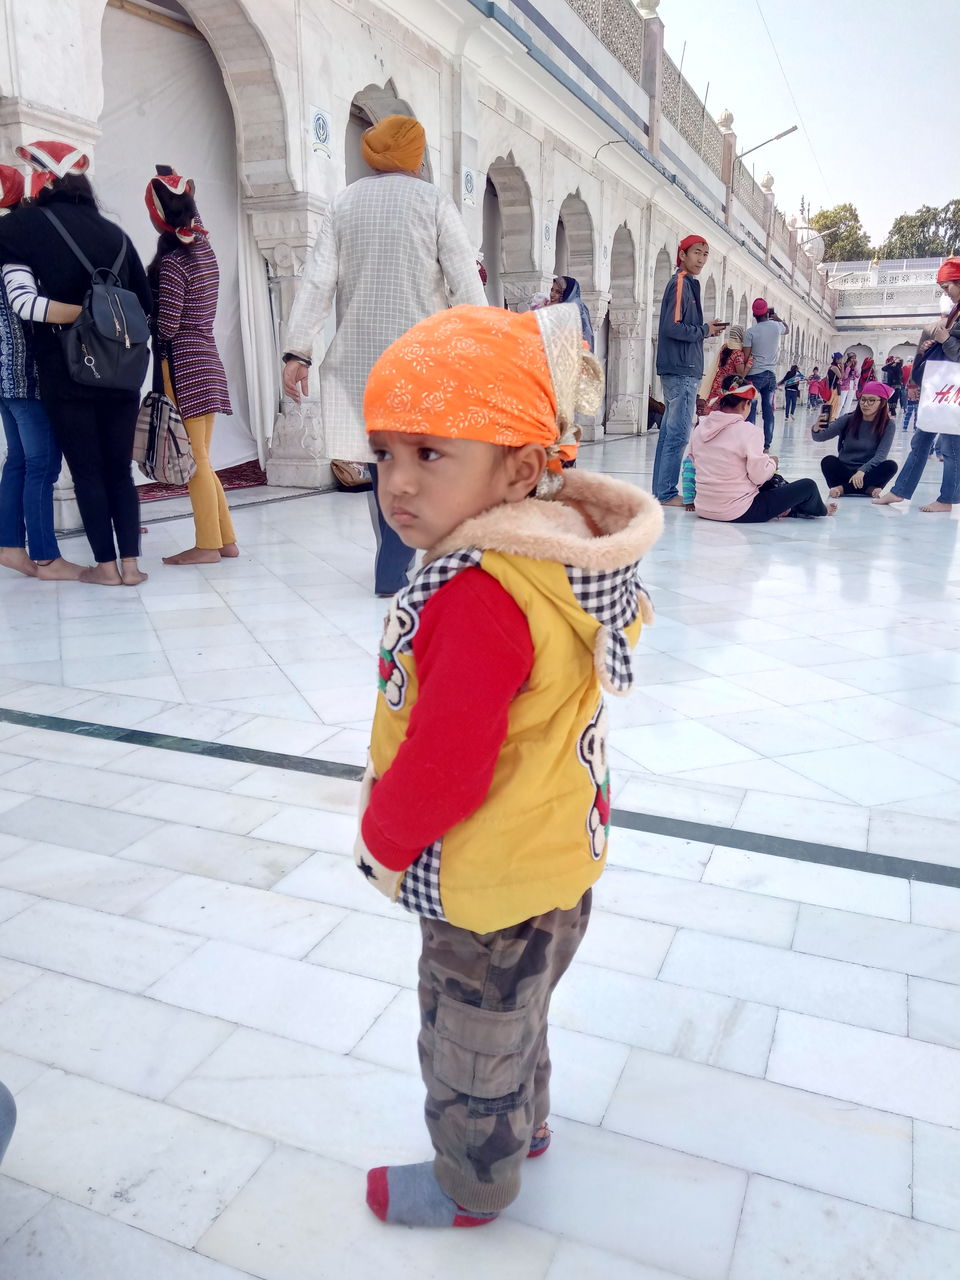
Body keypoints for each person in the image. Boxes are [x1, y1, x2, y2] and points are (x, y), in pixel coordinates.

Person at [353, 301, 662, 1229]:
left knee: (466, 1042)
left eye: (431, 454)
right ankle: (524, 1124)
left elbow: (448, 766)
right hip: (558, 857)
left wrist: (383, 836)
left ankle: (470, 1185)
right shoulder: (552, 556)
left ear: (522, 467)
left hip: (487, 879)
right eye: (385, 455)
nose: (397, 485)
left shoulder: (479, 595)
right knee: (516, 1016)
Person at [281, 114, 486, 597]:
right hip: (421, 365)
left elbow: (316, 282)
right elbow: (465, 282)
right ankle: (393, 567)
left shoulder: (345, 203)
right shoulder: (433, 201)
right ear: (416, 156)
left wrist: (298, 351)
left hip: (358, 368)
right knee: (417, 467)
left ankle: (393, 559)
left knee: (382, 468)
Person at [0, 140, 151, 586]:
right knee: (118, 469)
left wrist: (80, 315)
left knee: (85, 468)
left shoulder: (22, 227)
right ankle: (131, 567)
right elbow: (145, 307)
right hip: (122, 372)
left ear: (42, 180)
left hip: (66, 369)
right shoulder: (115, 234)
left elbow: (24, 304)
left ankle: (104, 568)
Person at [144, 166, 237, 566]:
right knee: (203, 456)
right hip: (207, 359)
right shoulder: (204, 249)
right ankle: (225, 540)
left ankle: (207, 545)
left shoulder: (174, 262)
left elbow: (166, 325)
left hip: (181, 362)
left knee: (196, 460)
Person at [0, 164, 84, 581]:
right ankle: (48, 557)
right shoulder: (15, 245)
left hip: (3, 376)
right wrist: (87, 314)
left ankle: (11, 548)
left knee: (18, 461)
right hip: (25, 373)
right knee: (42, 464)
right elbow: (25, 305)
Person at [875, 262, 960, 513]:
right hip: (940, 387)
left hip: (952, 390)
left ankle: (947, 499)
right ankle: (900, 491)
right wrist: (932, 347)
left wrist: (945, 341)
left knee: (951, 446)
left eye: (947, 287)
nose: (945, 292)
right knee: (921, 441)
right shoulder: (956, 311)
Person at [688, 383, 835, 522]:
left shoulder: (700, 428)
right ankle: (821, 510)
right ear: (745, 404)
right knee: (807, 486)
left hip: (704, 507)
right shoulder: (749, 431)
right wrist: (772, 463)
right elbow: (759, 477)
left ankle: (789, 509)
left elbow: (695, 464)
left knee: (773, 485)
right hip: (738, 511)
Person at [652, 233, 726, 506]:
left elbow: (682, 326)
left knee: (670, 433)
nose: (701, 259)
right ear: (682, 254)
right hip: (681, 369)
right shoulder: (681, 283)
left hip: (682, 367)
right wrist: (705, 330)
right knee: (679, 433)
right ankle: (667, 493)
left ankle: (661, 491)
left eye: (705, 254)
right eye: (697, 252)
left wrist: (705, 330)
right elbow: (672, 327)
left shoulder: (688, 284)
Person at [813, 381, 898, 497]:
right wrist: (816, 428)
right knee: (828, 461)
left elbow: (881, 455)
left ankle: (843, 489)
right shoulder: (848, 419)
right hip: (845, 470)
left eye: (871, 400)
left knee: (891, 466)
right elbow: (820, 437)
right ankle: (867, 489)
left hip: (868, 473)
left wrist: (862, 471)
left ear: (882, 403)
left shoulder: (888, 425)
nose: (865, 404)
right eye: (863, 399)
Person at [742, 299, 787, 450]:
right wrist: (777, 318)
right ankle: (766, 445)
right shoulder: (776, 326)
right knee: (768, 411)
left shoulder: (750, 332)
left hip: (754, 376)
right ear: (767, 312)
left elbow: (746, 357)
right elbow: (787, 329)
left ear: (754, 314)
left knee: (751, 409)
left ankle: (751, 443)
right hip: (770, 376)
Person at [703, 324, 752, 405]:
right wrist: (748, 365)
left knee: (713, 407)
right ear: (740, 335)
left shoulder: (725, 347)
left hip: (717, 383)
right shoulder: (737, 353)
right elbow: (741, 376)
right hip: (727, 386)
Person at [549, 276, 594, 351]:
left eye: (558, 292)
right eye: (552, 290)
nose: (552, 294)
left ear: (568, 294)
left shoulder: (575, 312)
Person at [816, 352, 844, 428]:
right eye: (841, 359)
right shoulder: (834, 367)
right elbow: (841, 376)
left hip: (833, 388)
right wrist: (843, 366)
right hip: (833, 389)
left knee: (832, 403)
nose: (842, 360)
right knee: (833, 403)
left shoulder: (834, 366)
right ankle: (830, 419)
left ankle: (829, 419)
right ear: (837, 359)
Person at [882, 354, 903, 421]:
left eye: (896, 359)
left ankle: (893, 412)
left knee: (894, 399)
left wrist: (896, 362)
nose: (895, 360)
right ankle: (890, 411)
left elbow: (898, 374)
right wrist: (892, 362)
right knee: (890, 399)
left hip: (896, 386)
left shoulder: (898, 368)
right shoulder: (891, 367)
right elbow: (883, 368)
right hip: (890, 385)